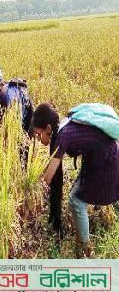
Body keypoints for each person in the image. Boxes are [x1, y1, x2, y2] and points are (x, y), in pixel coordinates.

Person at [31, 103, 119, 257]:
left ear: (48, 129)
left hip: (106, 161)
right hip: (97, 157)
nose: (38, 139)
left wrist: (29, 189)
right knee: (78, 194)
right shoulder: (62, 127)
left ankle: (84, 246)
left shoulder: (62, 137)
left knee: (76, 202)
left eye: (39, 134)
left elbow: (48, 178)